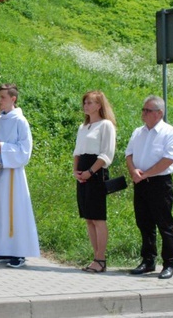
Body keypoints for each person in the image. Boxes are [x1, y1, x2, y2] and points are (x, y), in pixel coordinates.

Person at [0, 83, 41, 268]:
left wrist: (4, 147)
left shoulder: (20, 121)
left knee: (15, 211)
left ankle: (19, 253)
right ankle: (2, 249)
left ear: (13, 99)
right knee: (0, 210)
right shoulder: (0, 120)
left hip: (13, 174)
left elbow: (25, 150)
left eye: (3, 98)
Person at [125, 95, 173, 280]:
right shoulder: (138, 132)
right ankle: (148, 260)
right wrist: (134, 171)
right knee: (144, 222)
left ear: (159, 113)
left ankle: (169, 263)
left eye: (147, 110)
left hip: (159, 183)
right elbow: (129, 154)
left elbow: (169, 159)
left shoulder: (169, 132)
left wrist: (146, 174)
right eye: (143, 110)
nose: (143, 113)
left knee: (164, 224)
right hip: (140, 182)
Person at [73, 90, 117, 273]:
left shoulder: (106, 125)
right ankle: (95, 257)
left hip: (96, 173)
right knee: (89, 218)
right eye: (84, 103)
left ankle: (101, 258)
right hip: (82, 174)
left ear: (99, 105)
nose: (86, 106)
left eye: (90, 103)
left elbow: (107, 154)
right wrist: (76, 171)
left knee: (98, 218)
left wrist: (90, 171)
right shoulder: (83, 127)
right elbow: (77, 151)